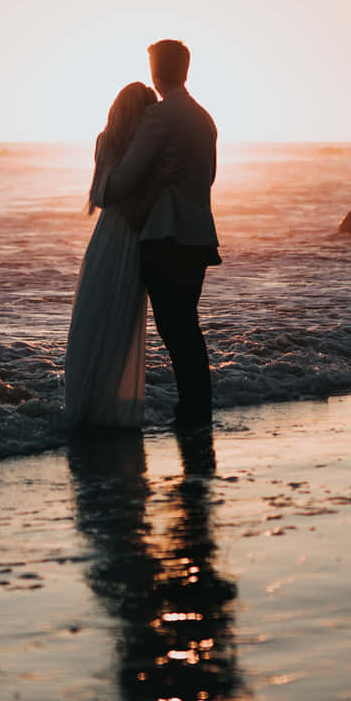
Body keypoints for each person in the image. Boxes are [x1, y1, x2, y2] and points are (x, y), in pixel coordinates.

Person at [102, 39, 220, 428]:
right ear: (185, 70)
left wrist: (110, 180)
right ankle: (196, 408)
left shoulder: (161, 116)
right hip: (200, 236)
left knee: (175, 329)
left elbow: (123, 180)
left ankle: (192, 412)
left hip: (165, 237)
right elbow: (210, 178)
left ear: (156, 72)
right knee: (187, 326)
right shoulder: (204, 118)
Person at [64, 80, 158, 427]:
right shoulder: (129, 145)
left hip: (112, 236)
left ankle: (89, 404)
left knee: (98, 317)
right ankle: (101, 405)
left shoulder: (126, 142)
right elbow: (103, 194)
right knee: (115, 320)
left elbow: (100, 195)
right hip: (128, 237)